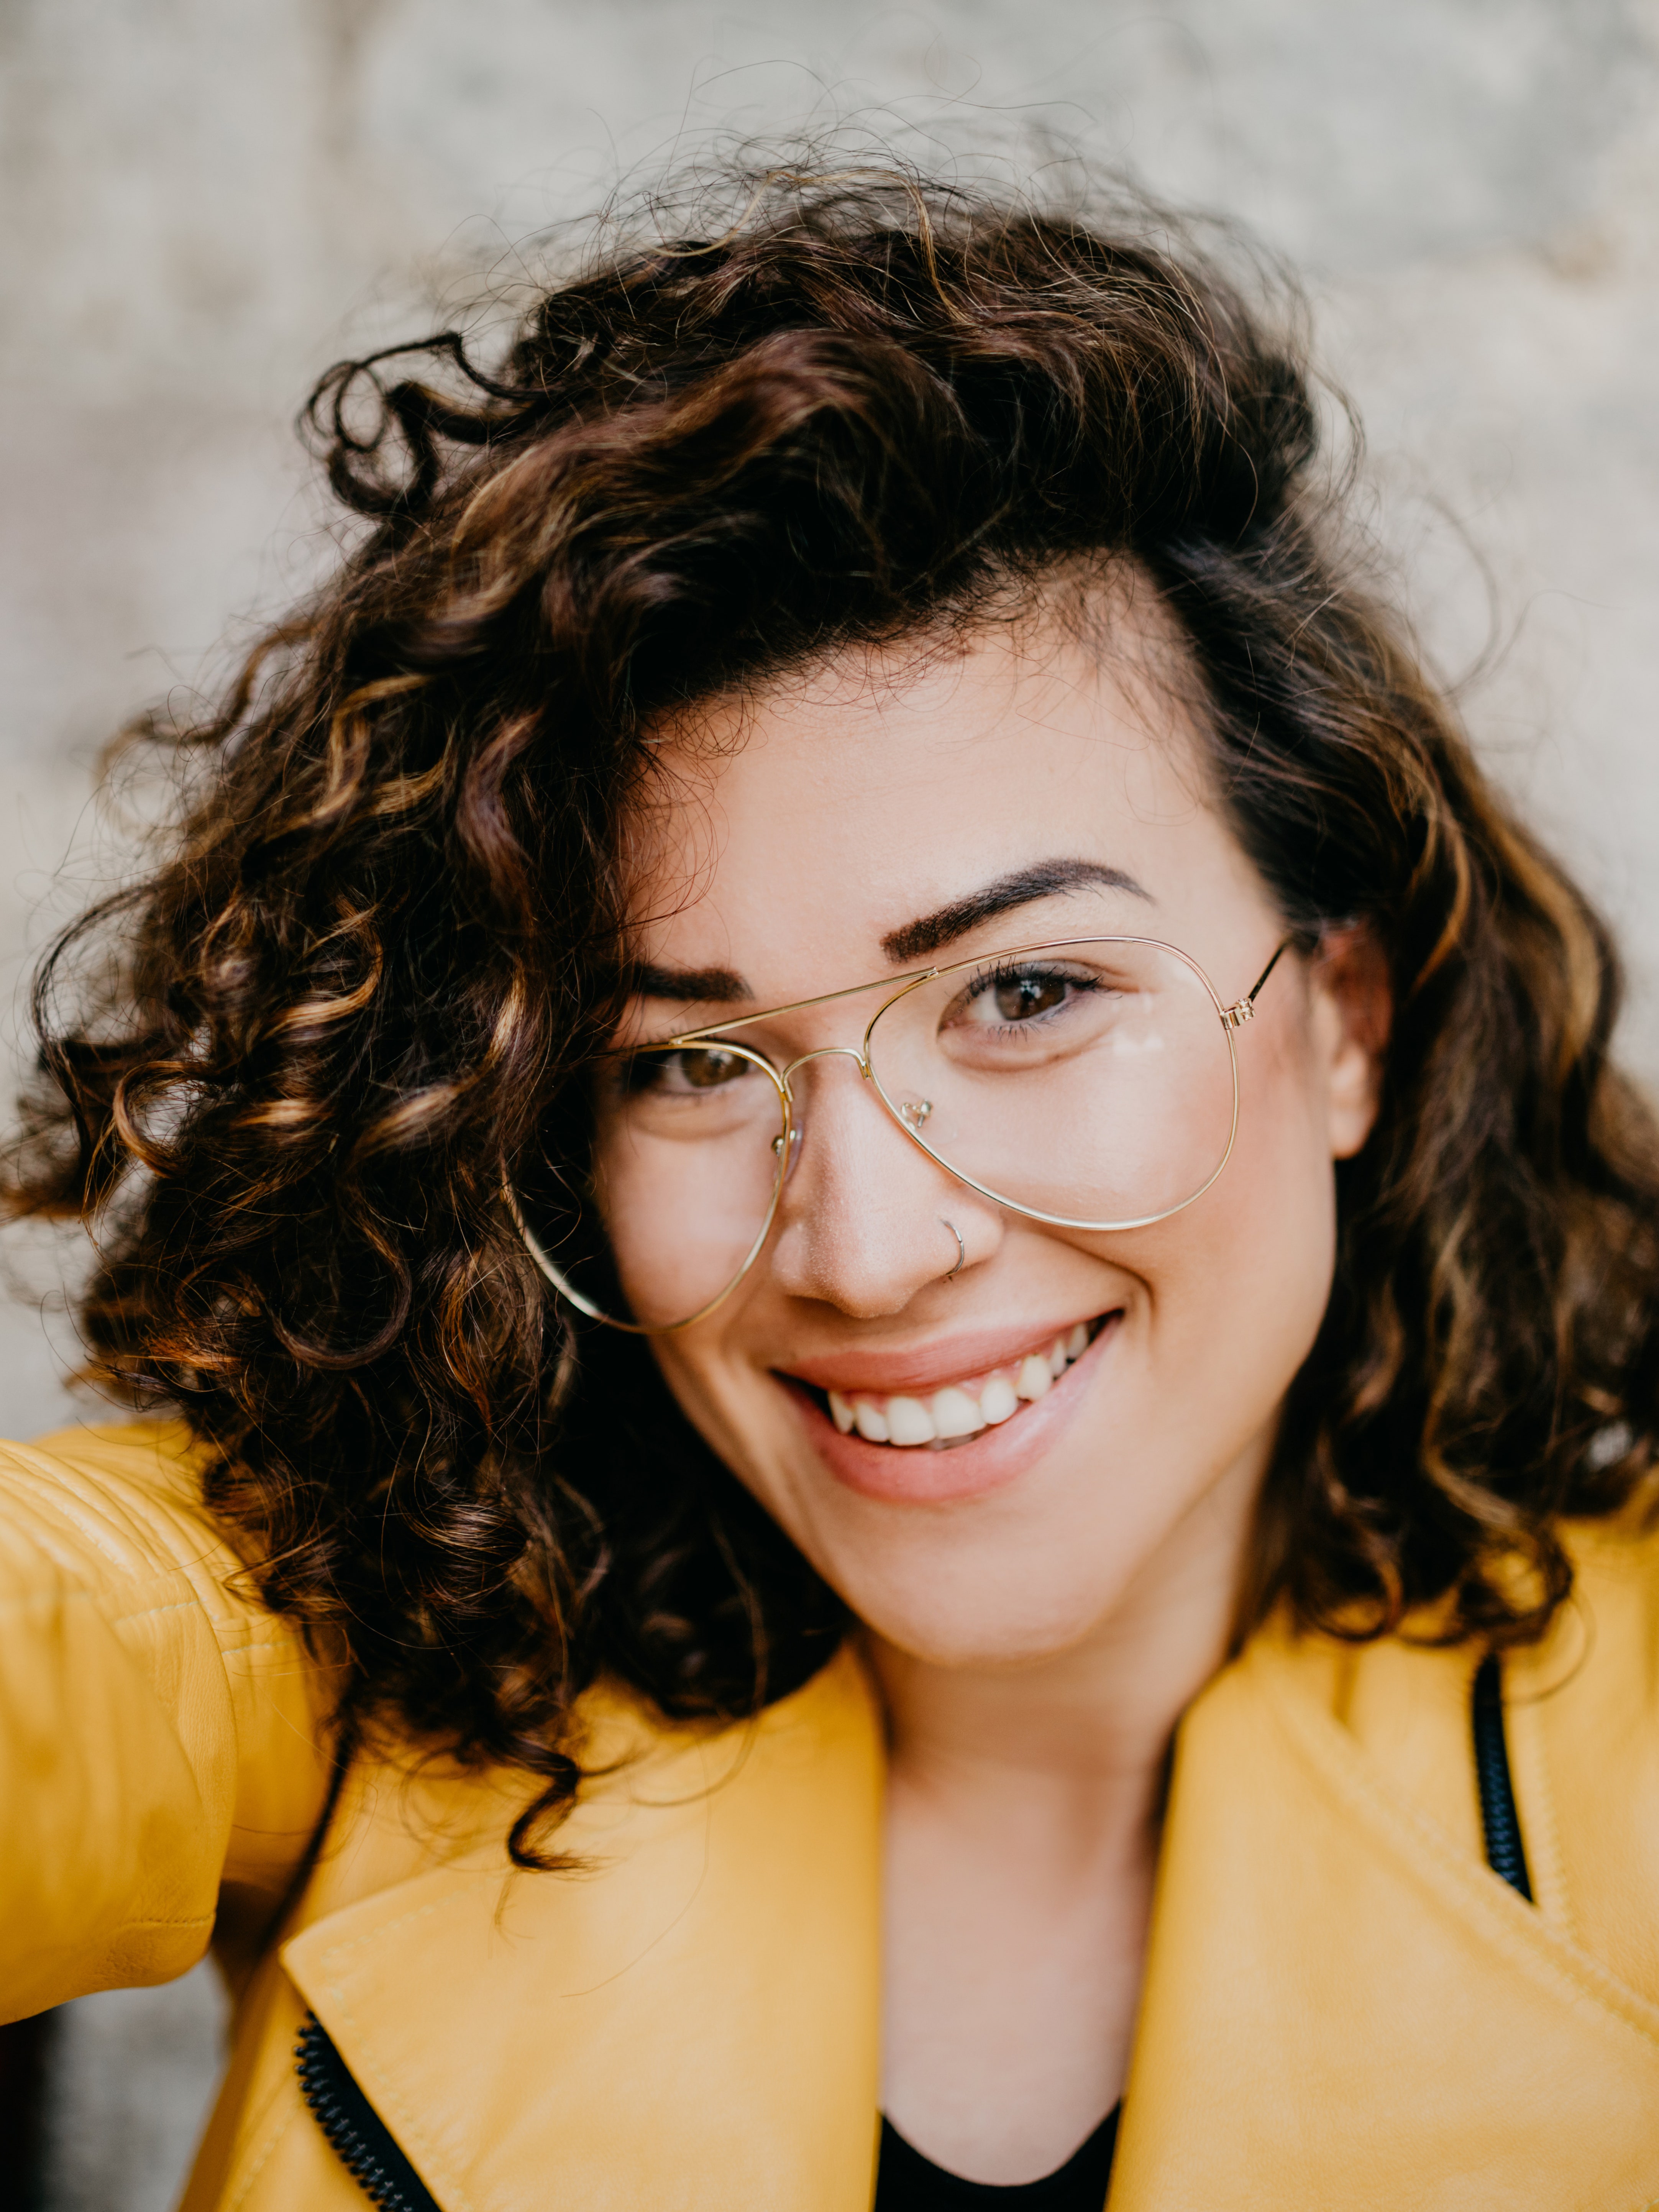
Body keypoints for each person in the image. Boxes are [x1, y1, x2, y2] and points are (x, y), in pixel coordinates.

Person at [3, 165, 1658, 2212]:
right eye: (691, 1064)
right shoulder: (372, 1642)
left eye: (1027, 995)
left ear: (1344, 1023)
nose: (867, 1252)